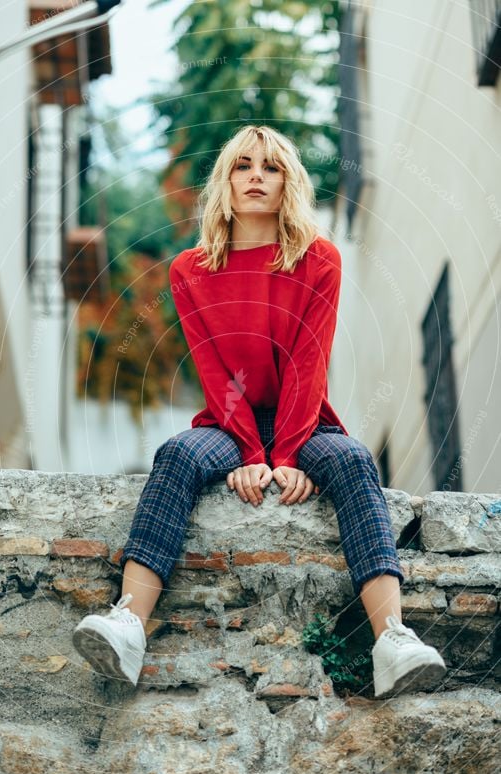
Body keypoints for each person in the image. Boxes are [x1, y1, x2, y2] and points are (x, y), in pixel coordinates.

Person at [72, 125, 447, 699]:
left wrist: (291, 453)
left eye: (270, 168)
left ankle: (393, 638)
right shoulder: (190, 270)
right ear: (225, 181)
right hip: (230, 421)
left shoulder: (318, 259)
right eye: (242, 165)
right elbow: (215, 371)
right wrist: (250, 451)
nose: (255, 176)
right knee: (177, 454)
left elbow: (307, 360)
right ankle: (128, 622)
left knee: (350, 460)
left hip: (304, 418)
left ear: (287, 183)